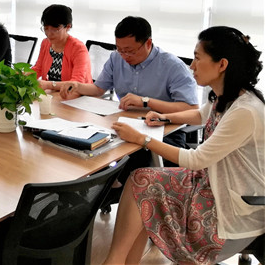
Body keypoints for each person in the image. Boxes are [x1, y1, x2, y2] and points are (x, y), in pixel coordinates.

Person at [103, 26, 265, 265]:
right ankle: (118, 261)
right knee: (140, 181)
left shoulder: (245, 111)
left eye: (197, 58)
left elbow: (196, 160)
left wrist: (142, 139)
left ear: (222, 64)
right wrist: (165, 117)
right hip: (211, 184)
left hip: (232, 211)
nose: (191, 66)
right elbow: (200, 115)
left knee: (145, 190)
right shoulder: (228, 96)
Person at [61, 16, 198, 113]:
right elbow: (98, 89)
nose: (124, 56)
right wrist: (77, 86)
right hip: (125, 121)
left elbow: (191, 108)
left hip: (164, 128)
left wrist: (145, 101)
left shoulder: (173, 66)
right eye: (120, 50)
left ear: (148, 43)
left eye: (130, 51)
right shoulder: (116, 58)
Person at [32, 4, 92, 91]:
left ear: (68, 27)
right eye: (46, 28)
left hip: (78, 95)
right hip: (53, 93)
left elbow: (76, 83)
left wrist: (49, 85)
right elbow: (38, 68)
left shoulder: (78, 48)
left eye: (55, 29)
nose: (49, 33)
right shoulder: (45, 43)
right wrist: (21, 75)